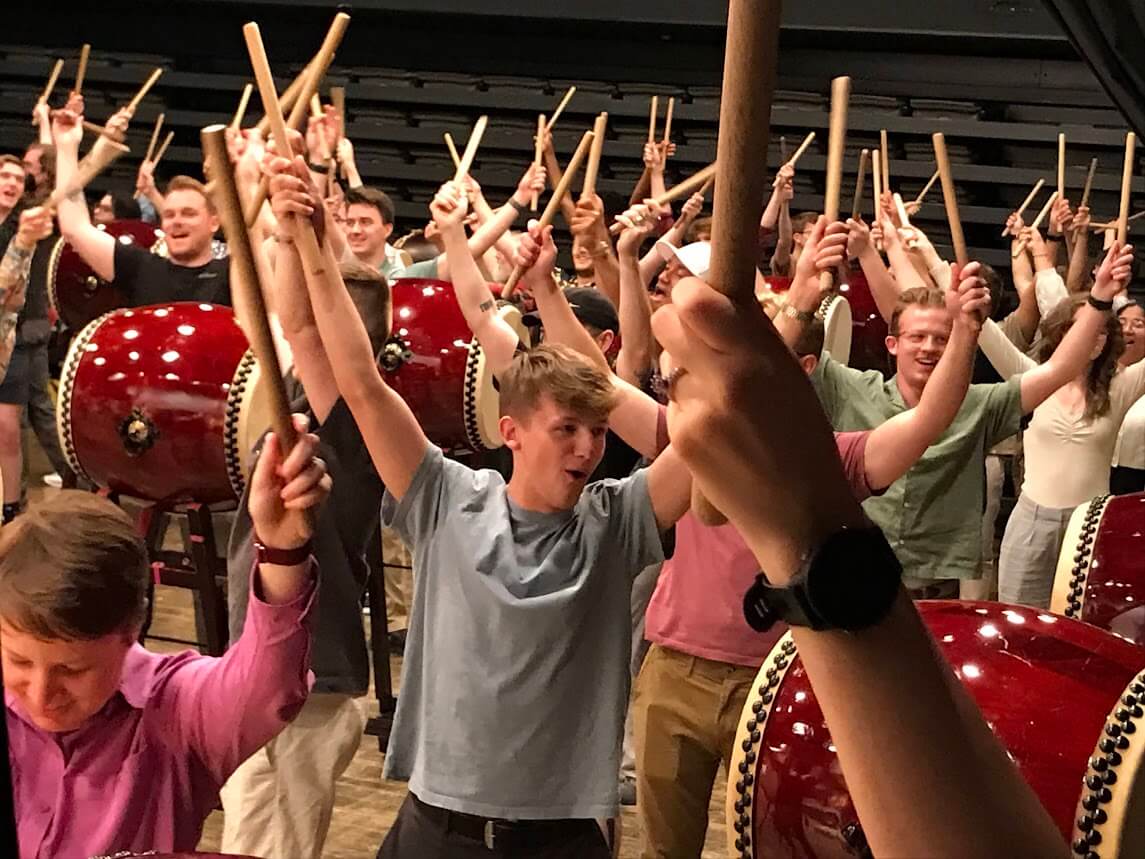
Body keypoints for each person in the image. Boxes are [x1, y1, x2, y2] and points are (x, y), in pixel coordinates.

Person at [267, 150, 692, 858]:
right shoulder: (445, 497)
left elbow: (701, 440)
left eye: (597, 430)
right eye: (566, 429)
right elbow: (362, 381)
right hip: (439, 827)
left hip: (560, 837)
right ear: (510, 431)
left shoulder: (617, 520)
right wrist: (308, 243)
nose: (588, 447)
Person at [651, 272, 1067, 858]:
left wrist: (964, 332)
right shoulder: (680, 445)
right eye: (675, 377)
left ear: (802, 373)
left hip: (776, 676)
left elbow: (926, 421)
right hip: (675, 670)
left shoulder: (831, 457)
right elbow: (601, 386)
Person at [2, 415, 330, 858]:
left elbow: (266, 687)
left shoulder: (176, 710)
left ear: (132, 629)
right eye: (19, 662)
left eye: (72, 669)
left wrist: (281, 550)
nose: (41, 694)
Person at [796, 218, 1121, 596]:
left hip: (939, 587)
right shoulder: (849, 388)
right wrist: (802, 294)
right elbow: (778, 361)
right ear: (892, 344)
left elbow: (1059, 369)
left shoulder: (981, 405)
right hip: (856, 577)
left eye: (941, 338)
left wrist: (1100, 299)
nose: (928, 348)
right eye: (917, 336)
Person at [218, 166, 392, 859]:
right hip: (266, 661)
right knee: (249, 835)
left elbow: (300, 326)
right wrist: (273, 228)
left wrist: (301, 239)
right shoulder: (298, 391)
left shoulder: (356, 421)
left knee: (272, 846)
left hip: (307, 680)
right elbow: (269, 316)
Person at [974, 240, 1142, 606]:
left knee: (1081, 626)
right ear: (1061, 333)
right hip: (1032, 522)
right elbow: (984, 331)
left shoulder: (1122, 386)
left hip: (1090, 528)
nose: (1092, 337)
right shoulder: (1034, 378)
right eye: (1079, 327)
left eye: (1100, 330)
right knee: (1021, 622)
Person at [52, 107, 230, 308]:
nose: (177, 221)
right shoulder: (140, 268)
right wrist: (66, 148)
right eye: (169, 215)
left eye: (188, 214)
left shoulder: (232, 274)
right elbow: (75, 228)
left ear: (214, 222)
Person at [0, 203, 56, 521]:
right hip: (18, 334)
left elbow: (14, 295)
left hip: (20, 337)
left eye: (18, 179)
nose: (11, 183)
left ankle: (12, 508)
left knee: (13, 425)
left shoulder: (26, 228)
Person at [1112, 300, 1145, 493]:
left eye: (1138, 324)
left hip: (1137, 478)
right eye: (1121, 323)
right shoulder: (1094, 375)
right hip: (1096, 470)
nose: (1127, 330)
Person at [343, 186, 408, 280]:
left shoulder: (400, 275)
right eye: (350, 223)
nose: (355, 230)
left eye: (365, 222)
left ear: (387, 230)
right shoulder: (334, 267)